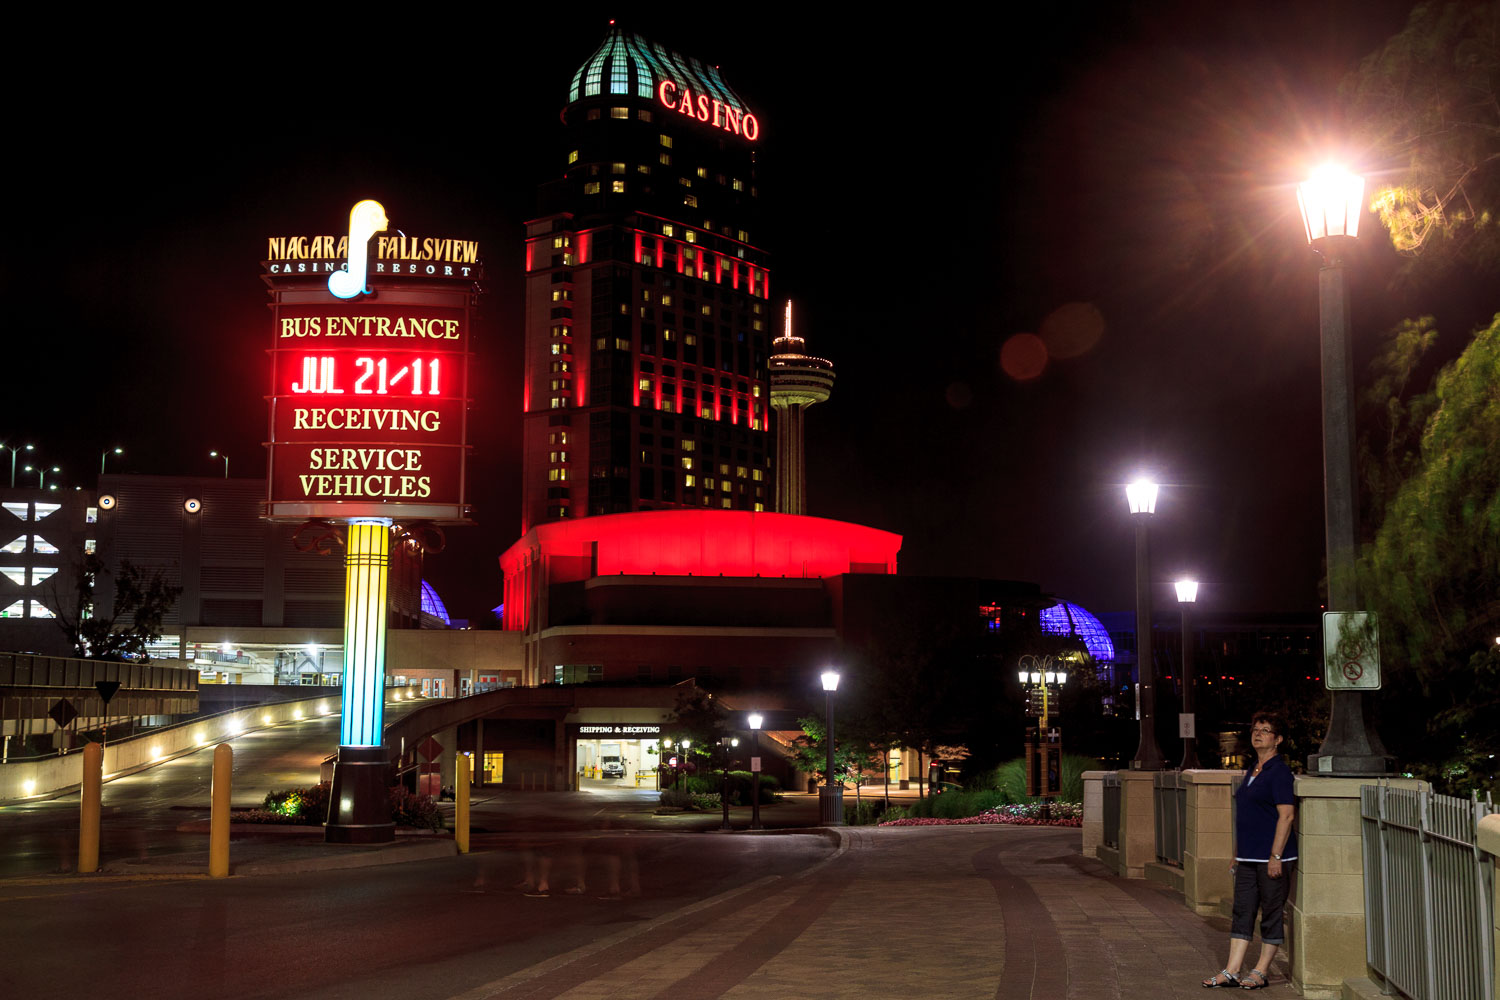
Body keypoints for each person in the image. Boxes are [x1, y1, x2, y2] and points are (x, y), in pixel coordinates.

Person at [1202, 712, 1298, 990]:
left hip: (1272, 858)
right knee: (1242, 912)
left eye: (1265, 730)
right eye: (1255, 729)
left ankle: (1261, 970)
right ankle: (1231, 971)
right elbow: (1246, 815)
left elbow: (1287, 816)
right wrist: (1237, 852)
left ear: (1278, 739)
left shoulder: (1279, 772)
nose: (1258, 734)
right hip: (1247, 857)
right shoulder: (1253, 768)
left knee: (1270, 912)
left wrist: (1276, 856)